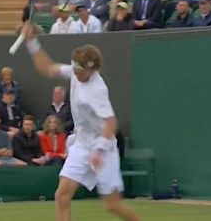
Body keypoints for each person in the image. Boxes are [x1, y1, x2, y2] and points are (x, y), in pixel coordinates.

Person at [20, 23, 140, 221]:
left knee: (112, 205)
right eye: (73, 65)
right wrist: (31, 41)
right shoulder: (76, 72)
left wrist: (98, 151)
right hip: (81, 145)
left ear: (90, 69)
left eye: (78, 68)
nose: (74, 70)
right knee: (62, 195)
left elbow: (111, 123)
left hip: (103, 149)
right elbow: (48, 69)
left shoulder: (97, 91)